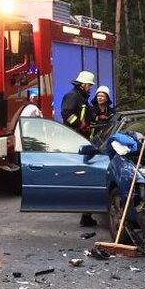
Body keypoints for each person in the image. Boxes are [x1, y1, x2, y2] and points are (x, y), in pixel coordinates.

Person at [60, 70, 97, 227]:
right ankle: (83, 210)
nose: (90, 88)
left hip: (81, 138)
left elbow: (84, 113)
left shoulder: (82, 98)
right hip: (74, 137)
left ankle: (85, 213)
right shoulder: (73, 96)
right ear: (82, 84)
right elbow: (66, 113)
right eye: (89, 85)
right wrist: (79, 125)